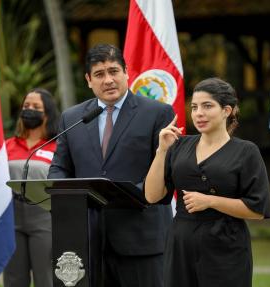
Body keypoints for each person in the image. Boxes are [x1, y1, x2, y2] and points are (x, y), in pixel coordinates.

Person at [48, 43, 175, 287]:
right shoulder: (72, 118)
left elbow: (166, 174)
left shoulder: (157, 113)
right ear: (88, 80)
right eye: (99, 74)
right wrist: (58, 191)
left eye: (114, 71)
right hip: (86, 241)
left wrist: (121, 195)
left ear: (127, 72)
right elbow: (60, 167)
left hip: (142, 241)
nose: (108, 80)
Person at [145, 77, 270, 287]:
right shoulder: (179, 146)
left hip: (226, 247)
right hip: (181, 244)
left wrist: (211, 201)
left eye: (207, 106)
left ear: (226, 110)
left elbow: (257, 210)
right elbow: (152, 195)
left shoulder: (246, 151)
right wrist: (162, 151)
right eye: (194, 107)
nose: (198, 113)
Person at [4, 88, 59, 287]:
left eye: (36, 107)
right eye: (26, 106)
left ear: (48, 113)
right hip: (11, 215)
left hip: (44, 215)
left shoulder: (58, 146)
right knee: (13, 277)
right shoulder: (7, 145)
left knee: (46, 277)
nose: (29, 110)